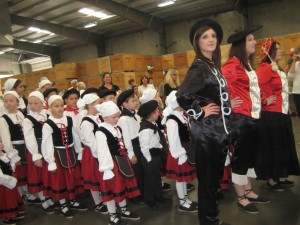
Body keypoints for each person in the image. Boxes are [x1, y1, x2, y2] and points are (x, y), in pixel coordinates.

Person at [176, 19, 231, 225]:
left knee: (213, 180)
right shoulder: (199, 67)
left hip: (218, 133)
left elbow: (211, 94)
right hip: (207, 134)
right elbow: (182, 95)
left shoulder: (213, 66)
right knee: (208, 181)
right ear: (197, 42)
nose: (210, 40)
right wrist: (200, 112)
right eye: (205, 36)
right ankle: (208, 220)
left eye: (213, 36)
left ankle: (211, 217)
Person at [222, 27, 270, 214]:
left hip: (253, 118)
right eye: (251, 39)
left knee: (249, 157)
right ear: (242, 44)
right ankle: (241, 197)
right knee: (241, 159)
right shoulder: (231, 66)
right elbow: (218, 87)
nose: (255, 42)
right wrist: (227, 102)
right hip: (241, 120)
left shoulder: (247, 65)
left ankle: (248, 190)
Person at [255, 37, 300, 190]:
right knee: (274, 146)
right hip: (271, 115)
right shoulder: (265, 68)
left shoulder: (277, 68)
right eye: (278, 49)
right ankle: (272, 180)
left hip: (282, 112)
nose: (281, 51)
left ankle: (280, 176)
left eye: (280, 48)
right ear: (270, 52)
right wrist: (264, 100)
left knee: (282, 146)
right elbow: (254, 87)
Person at [95, 101, 140, 225]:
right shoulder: (101, 131)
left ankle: (124, 210)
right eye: (113, 117)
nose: (116, 119)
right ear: (104, 117)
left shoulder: (117, 127)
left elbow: (123, 142)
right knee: (111, 189)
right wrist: (106, 169)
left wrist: (129, 155)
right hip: (111, 164)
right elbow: (102, 151)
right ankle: (112, 216)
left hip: (122, 160)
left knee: (122, 187)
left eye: (117, 116)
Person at [41, 95, 87, 219]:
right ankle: (63, 205)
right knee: (60, 180)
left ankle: (72, 200)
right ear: (50, 108)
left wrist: (79, 151)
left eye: (62, 105)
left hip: (70, 151)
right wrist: (50, 161)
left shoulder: (69, 119)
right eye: (56, 106)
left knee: (72, 177)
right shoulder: (48, 124)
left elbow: (75, 136)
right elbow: (47, 143)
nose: (60, 108)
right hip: (58, 154)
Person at [0, 91, 40, 203]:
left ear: (18, 102)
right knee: (18, 174)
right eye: (6, 101)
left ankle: (29, 194)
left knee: (27, 172)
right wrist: (13, 156)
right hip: (15, 148)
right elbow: (6, 139)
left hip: (26, 147)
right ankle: (19, 198)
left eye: (11, 100)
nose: (8, 103)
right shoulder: (3, 119)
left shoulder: (22, 114)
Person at [162, 91, 198, 212]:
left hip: (185, 149)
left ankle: (185, 199)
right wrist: (180, 154)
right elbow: (172, 140)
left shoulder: (181, 115)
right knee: (180, 178)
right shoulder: (172, 119)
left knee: (183, 179)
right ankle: (182, 202)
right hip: (178, 152)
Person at [22, 91, 55, 213]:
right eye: (30, 103)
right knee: (39, 175)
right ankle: (43, 199)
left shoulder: (47, 115)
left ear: (42, 103)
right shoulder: (28, 120)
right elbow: (30, 138)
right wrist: (36, 155)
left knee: (47, 174)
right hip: (37, 148)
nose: (33, 106)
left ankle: (49, 196)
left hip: (48, 148)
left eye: (36, 103)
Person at [138, 100, 172, 210]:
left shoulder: (152, 124)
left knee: (157, 177)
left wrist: (161, 147)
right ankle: (150, 199)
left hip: (156, 155)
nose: (158, 113)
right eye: (156, 111)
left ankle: (159, 196)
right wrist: (149, 160)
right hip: (149, 158)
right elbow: (144, 147)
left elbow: (156, 140)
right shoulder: (145, 129)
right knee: (150, 180)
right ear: (151, 115)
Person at [80, 94, 108, 214]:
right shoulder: (87, 122)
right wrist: (99, 155)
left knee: (100, 176)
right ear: (91, 105)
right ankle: (98, 202)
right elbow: (90, 141)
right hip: (93, 153)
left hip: (101, 150)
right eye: (98, 102)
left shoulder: (98, 117)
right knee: (94, 177)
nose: (100, 105)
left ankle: (105, 199)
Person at [117, 89, 144, 204]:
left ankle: (142, 192)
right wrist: (131, 154)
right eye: (133, 101)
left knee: (141, 171)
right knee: (135, 173)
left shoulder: (136, 115)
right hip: (132, 146)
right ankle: (134, 196)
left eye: (136, 100)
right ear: (124, 104)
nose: (136, 102)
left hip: (139, 144)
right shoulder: (123, 119)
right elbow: (126, 139)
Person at [0, 146, 25, 225]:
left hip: (9, 180)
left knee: (13, 198)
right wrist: (9, 179)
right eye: (0, 142)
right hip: (4, 183)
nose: (2, 144)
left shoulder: (3, 152)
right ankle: (7, 217)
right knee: (6, 200)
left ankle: (14, 213)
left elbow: (9, 165)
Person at [288, 46, 300, 118]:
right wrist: (294, 61)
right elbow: (290, 76)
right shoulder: (295, 63)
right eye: (297, 54)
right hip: (297, 93)